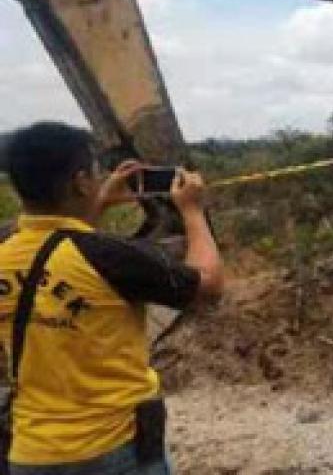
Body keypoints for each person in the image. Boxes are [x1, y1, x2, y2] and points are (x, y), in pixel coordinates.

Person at [0, 122, 224, 474]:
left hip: (29, 453)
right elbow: (208, 283)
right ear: (80, 181)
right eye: (94, 170)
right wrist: (192, 212)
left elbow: (54, 244)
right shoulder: (112, 258)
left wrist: (99, 200)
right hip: (113, 447)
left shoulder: (4, 252)